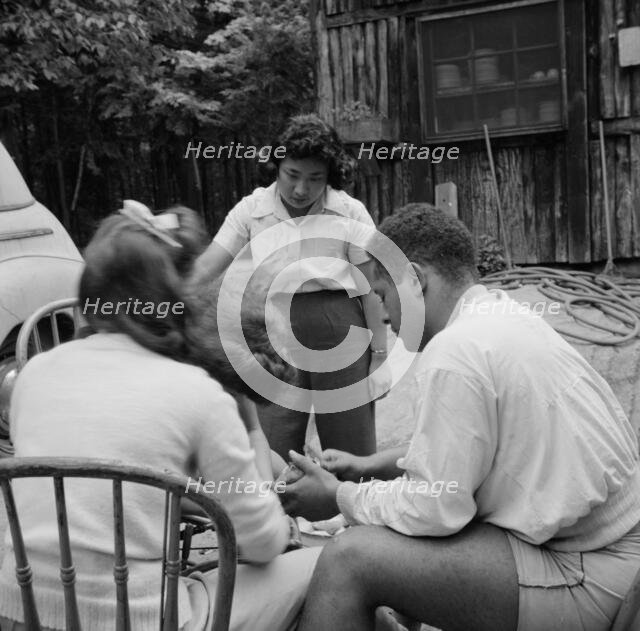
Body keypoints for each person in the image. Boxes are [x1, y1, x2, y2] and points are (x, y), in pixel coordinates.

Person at [282, 203, 640, 631]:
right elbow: (475, 449)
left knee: (349, 558)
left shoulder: (454, 353)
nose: (381, 314)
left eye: (381, 294)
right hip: (615, 553)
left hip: (592, 574)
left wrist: (339, 496)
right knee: (398, 533)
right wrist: (370, 466)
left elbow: (436, 509)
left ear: (415, 279)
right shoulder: (499, 316)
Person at [0, 204, 319, 631]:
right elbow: (261, 544)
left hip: (23, 613)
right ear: (174, 297)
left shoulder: (33, 375)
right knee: (330, 565)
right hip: (145, 618)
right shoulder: (196, 392)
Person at [190, 114, 389, 461]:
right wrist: (166, 298)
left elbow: (370, 285)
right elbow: (208, 266)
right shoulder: (252, 211)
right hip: (271, 332)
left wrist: (380, 357)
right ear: (276, 166)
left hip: (339, 327)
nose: (300, 189)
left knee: (351, 448)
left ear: (330, 177)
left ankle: (353, 511)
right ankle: (279, 515)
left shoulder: (348, 212)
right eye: (292, 175)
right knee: (273, 446)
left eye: (315, 179)